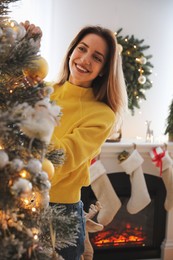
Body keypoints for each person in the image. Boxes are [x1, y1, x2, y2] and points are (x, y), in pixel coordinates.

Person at [49, 25, 128, 260]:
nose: (84, 59)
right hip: (18, 200)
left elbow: (60, 161)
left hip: (60, 212)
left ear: (104, 69)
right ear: (72, 51)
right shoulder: (44, 91)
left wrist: (37, 118)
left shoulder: (102, 115)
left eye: (97, 57)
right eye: (81, 49)